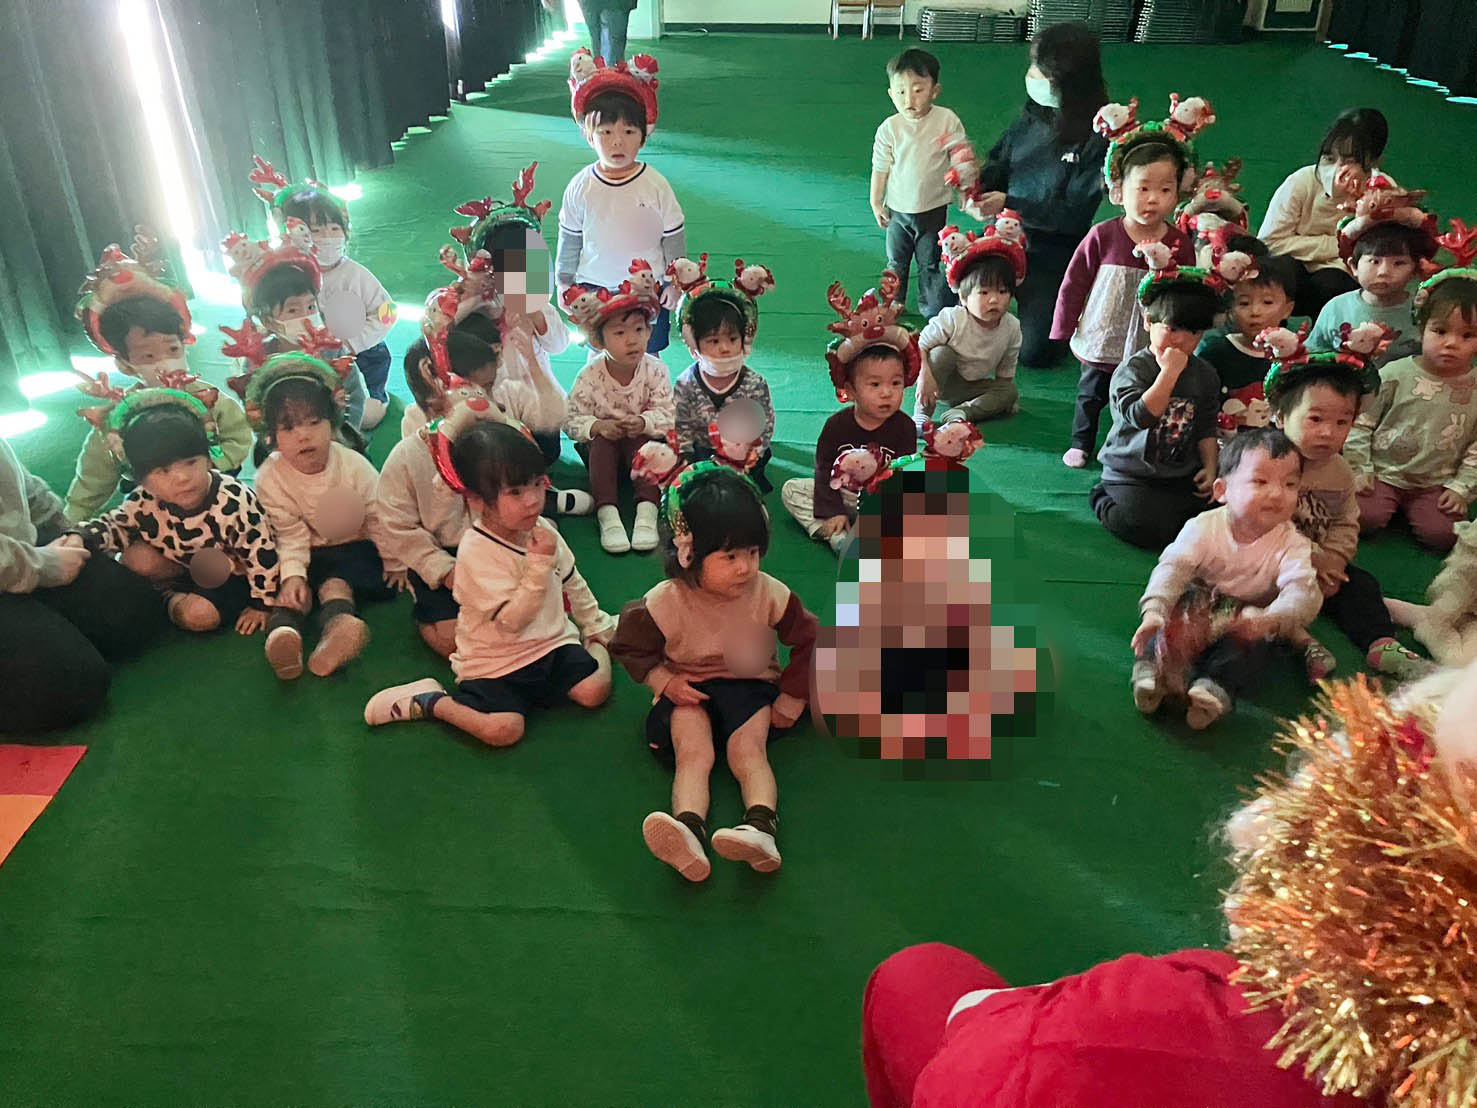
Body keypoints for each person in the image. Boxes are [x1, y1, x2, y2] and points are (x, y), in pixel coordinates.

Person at [862, 661, 1476, 1107]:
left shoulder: (1165, 1030)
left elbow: (981, 1071)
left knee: (916, 978)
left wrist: (995, 1016)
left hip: (1022, 1060)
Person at [609, 463, 818, 881]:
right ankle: (687, 830)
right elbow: (628, 645)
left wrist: (793, 696)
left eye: (753, 553)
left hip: (750, 687)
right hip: (690, 689)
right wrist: (665, 682)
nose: (746, 568)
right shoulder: (665, 601)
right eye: (730, 557)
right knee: (694, 753)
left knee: (748, 752)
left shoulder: (770, 593)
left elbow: (811, 640)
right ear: (687, 555)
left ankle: (761, 829)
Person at [363, 421, 615, 747]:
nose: (532, 501)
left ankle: (597, 639)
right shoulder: (475, 552)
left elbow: (571, 579)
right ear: (477, 500)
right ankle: (433, 702)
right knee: (503, 730)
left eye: (538, 484)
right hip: (496, 662)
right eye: (515, 492)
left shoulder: (542, 530)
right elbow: (512, 622)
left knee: (594, 691)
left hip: (550, 644)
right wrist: (539, 566)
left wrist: (594, 623)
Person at [1130, 428, 1319, 729]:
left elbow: (1302, 592)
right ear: (1222, 491)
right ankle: (1153, 675)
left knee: (1254, 647)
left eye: (1290, 484)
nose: (1276, 493)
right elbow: (1173, 568)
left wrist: (1272, 619)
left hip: (1248, 617)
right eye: (1260, 481)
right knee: (1170, 619)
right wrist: (1154, 610)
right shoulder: (1203, 527)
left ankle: (1213, 688)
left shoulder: (1292, 544)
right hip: (1200, 604)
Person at [1053, 93, 1203, 467]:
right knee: (1092, 391)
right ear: (1119, 190)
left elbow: (1190, 291)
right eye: (1143, 188)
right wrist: (1064, 325)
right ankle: (1082, 441)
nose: (1153, 199)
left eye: (1165, 190)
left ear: (1179, 191)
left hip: (1150, 337)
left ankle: (1130, 443)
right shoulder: (1102, 235)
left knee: (1143, 389)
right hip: (1105, 330)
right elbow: (1075, 281)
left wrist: (1189, 337)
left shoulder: (1180, 243)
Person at [1266, 351, 1432, 681]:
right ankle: (1302, 644)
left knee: (1360, 585)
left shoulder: (1340, 470)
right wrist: (1313, 558)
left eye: (1342, 423)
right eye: (1315, 419)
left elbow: (1345, 520)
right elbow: (1262, 524)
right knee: (1247, 598)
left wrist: (1335, 559)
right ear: (1281, 418)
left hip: (1322, 564)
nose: (1328, 432)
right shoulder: (1267, 463)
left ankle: (1382, 644)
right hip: (1269, 563)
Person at [66, 232, 252, 521]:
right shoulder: (118, 418)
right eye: (148, 356)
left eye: (172, 349)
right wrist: (72, 521)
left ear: (185, 345)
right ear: (125, 364)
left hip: (219, 502)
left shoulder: (212, 400)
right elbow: (94, 476)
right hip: (154, 515)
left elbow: (238, 437)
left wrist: (209, 466)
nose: (165, 362)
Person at [74, 390, 279, 644]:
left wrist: (262, 603)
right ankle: (167, 593)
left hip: (229, 575)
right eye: (163, 470)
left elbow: (263, 553)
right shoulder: (143, 500)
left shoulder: (234, 501)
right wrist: (80, 536)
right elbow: (114, 525)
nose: (182, 477)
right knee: (133, 558)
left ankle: (166, 602)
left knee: (199, 616)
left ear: (208, 460)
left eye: (191, 462)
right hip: (180, 566)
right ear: (142, 479)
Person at [963, 21, 1109, 369]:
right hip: (1006, 234)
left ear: (1070, 83)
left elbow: (1073, 213)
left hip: (1055, 247)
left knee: (1036, 352)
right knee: (943, 301)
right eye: (1033, 66)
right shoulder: (1034, 113)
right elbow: (1000, 161)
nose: (1032, 76)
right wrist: (976, 184)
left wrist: (1011, 203)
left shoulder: (1098, 134)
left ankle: (1069, 297)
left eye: (1042, 71)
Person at [0, 437, 166, 733]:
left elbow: (18, 484)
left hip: (16, 554)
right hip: (21, 561)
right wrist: (43, 567)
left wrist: (68, 532)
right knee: (68, 686)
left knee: (134, 612)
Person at [248, 354, 390, 680]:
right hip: (303, 550)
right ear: (271, 436)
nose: (303, 435)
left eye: (314, 422)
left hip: (353, 545)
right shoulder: (270, 477)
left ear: (333, 423)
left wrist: (394, 559)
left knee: (335, 584)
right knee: (291, 592)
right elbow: (289, 534)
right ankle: (284, 634)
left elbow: (378, 514)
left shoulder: (352, 464)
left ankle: (339, 626)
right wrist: (293, 576)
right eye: (289, 427)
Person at [781, 271, 920, 554]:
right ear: (851, 390)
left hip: (882, 500)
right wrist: (833, 510)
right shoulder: (836, 426)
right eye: (875, 384)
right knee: (792, 490)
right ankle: (838, 537)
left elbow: (904, 476)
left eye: (895, 383)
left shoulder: (904, 426)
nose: (887, 393)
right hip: (844, 495)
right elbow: (823, 471)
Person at [442, 163, 573, 462]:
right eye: (511, 268)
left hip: (536, 396)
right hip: (493, 399)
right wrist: (472, 290)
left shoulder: (538, 303)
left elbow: (559, 345)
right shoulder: (484, 303)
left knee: (547, 451)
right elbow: (447, 325)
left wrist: (537, 316)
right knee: (493, 450)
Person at [557, 49, 685, 353]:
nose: (618, 141)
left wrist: (674, 282)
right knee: (598, 356)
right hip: (594, 288)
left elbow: (673, 236)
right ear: (589, 135)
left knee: (647, 356)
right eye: (605, 131)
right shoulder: (580, 186)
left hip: (647, 290)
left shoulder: (654, 184)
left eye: (628, 131)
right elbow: (570, 237)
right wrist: (564, 281)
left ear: (643, 135)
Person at [1090, 265, 1224, 550]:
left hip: (1180, 474)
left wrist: (1211, 468)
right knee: (1146, 528)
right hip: (1131, 473)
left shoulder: (1205, 374)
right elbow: (1142, 416)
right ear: (1149, 322)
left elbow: (1206, 426)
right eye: (1172, 328)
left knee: (1213, 523)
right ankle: (1101, 497)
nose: (1181, 340)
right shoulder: (1133, 370)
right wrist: (1169, 374)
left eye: (1193, 332)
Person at [1345, 262, 1477, 552]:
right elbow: (1361, 422)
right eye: (1440, 331)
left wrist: (1460, 487)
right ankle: (1384, 504)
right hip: (1382, 472)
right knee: (1361, 516)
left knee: (1446, 535)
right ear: (1421, 328)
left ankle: (1417, 510)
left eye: (1467, 335)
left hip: (1436, 481)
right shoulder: (1395, 373)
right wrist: (1360, 468)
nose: (1451, 343)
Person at [257, 162, 398, 429]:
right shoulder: (290, 275)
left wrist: (354, 342)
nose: (327, 237)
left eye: (334, 229)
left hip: (362, 356)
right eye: (316, 230)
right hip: (308, 355)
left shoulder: (355, 274)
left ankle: (377, 398)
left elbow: (388, 312)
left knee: (363, 417)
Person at [562, 268, 676, 554]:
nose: (632, 340)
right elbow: (571, 418)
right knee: (602, 443)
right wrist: (597, 426)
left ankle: (647, 511)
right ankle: (608, 514)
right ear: (598, 341)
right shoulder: (590, 375)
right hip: (604, 453)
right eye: (619, 333)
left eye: (639, 330)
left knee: (648, 445)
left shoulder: (655, 370)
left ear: (650, 332)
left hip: (642, 446)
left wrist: (644, 422)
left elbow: (668, 413)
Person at [219, 219, 369, 430]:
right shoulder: (258, 360)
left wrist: (342, 436)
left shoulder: (332, 351)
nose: (306, 317)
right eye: (292, 310)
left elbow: (355, 399)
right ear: (268, 321)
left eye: (310, 306)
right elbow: (255, 412)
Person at [1258, 107, 1389, 321]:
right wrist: (1336, 246)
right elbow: (1269, 242)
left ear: (1374, 162)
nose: (1337, 169)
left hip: (1340, 277)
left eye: (1350, 160)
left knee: (1332, 284)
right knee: (1277, 271)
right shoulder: (1301, 181)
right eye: (1329, 158)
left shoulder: (1382, 192)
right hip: (1295, 268)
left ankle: (1326, 339)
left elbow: (1373, 253)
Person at [870, 49, 967, 321]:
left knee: (930, 261)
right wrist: (876, 202)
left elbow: (960, 157)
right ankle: (893, 301)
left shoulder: (946, 120)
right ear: (891, 94)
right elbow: (880, 168)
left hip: (933, 209)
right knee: (896, 262)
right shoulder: (890, 128)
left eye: (918, 90)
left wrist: (964, 189)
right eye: (901, 92)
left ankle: (930, 303)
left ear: (935, 91)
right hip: (898, 211)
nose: (909, 99)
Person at [670, 254, 777, 490]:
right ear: (694, 343)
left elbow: (765, 423)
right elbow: (681, 425)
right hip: (701, 451)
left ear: (745, 338)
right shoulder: (686, 383)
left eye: (733, 338)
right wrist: (686, 457)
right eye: (714, 341)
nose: (725, 348)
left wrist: (753, 453)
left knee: (752, 473)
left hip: (742, 452)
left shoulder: (755, 383)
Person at [919, 219, 1027, 426]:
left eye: (1002, 291)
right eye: (984, 292)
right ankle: (922, 415)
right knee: (942, 353)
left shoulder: (1012, 327)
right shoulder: (953, 318)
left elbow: (1005, 374)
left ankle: (962, 412)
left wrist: (1002, 398)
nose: (994, 300)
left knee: (1010, 391)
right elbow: (920, 346)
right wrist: (925, 378)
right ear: (964, 297)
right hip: (940, 382)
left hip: (972, 388)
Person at [1307, 187, 1437, 354]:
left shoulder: (1423, 311)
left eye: (1398, 263)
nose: (1384, 272)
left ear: (1415, 269)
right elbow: (1313, 355)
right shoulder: (1336, 308)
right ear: (1354, 266)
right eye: (1374, 261)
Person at [1196, 250, 1296, 439]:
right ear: (1230, 309)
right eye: (1244, 303)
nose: (1255, 311)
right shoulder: (1215, 353)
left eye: (1267, 302)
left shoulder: (1294, 357)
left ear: (1287, 309)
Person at [1388, 519, 1477, 666]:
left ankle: (1430, 619)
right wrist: (1442, 615)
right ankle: (1430, 624)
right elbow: (1465, 574)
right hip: (1461, 601)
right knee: (1463, 665)